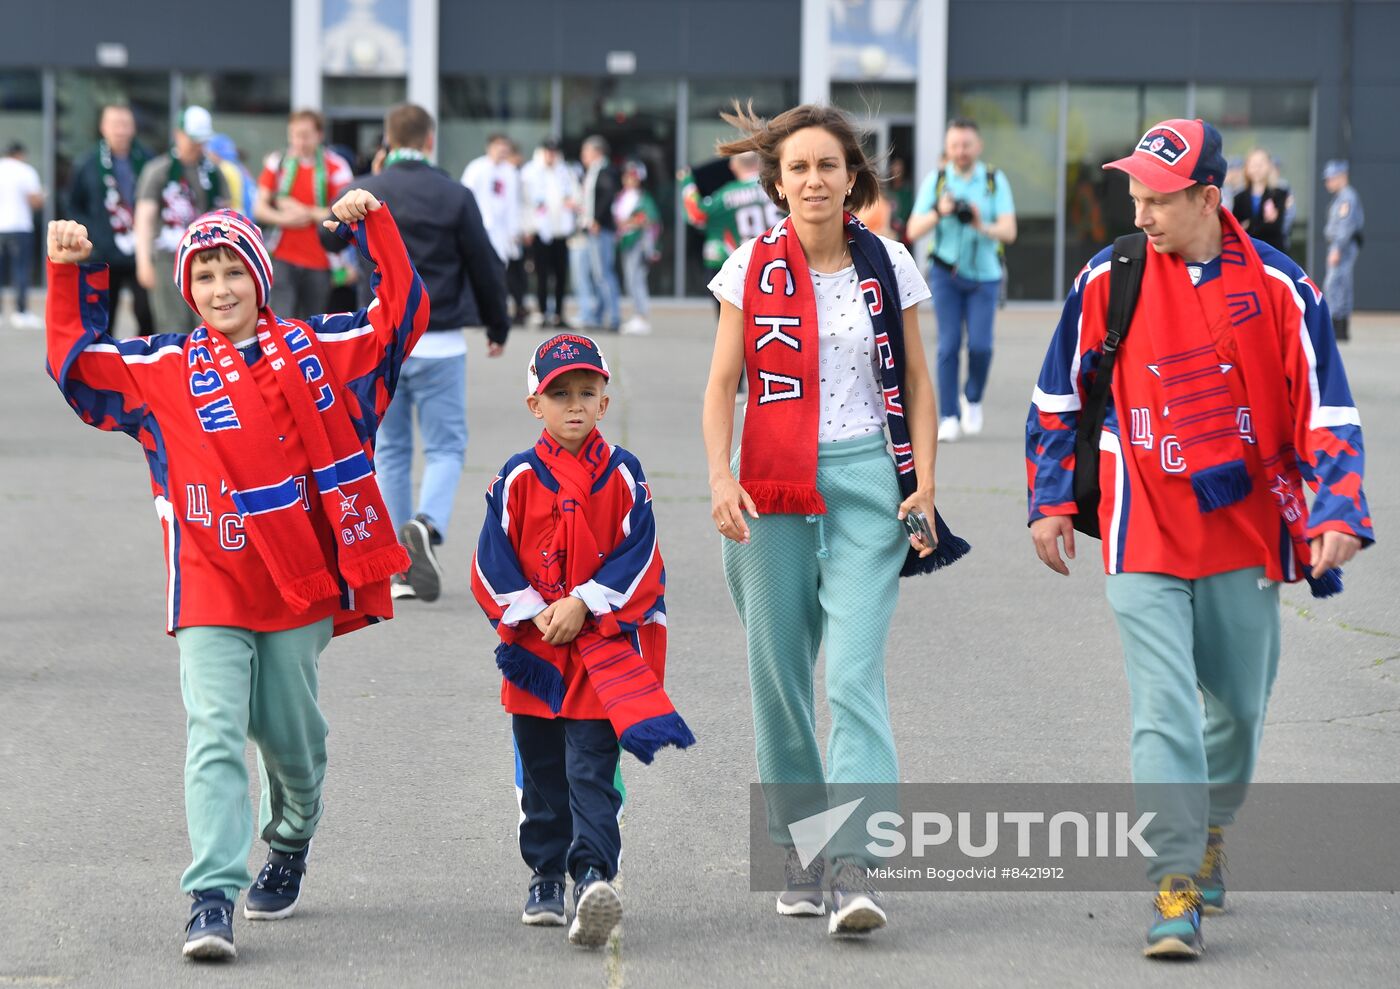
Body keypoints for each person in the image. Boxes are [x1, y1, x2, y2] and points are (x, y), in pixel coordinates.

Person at [44, 191, 429, 961]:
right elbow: (79, 367)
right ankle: (210, 895)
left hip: (300, 586)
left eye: (233, 271)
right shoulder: (161, 366)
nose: (221, 288)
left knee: (294, 747)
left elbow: (399, 317)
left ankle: (289, 837)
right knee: (215, 733)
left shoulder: (321, 348)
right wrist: (64, 273)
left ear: (261, 277)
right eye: (206, 274)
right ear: (188, 288)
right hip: (209, 582)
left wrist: (373, 227)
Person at [1026, 118, 1372, 960]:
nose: (1139, 213)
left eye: (1158, 200)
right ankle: (1174, 879)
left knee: (1241, 709)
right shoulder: (1110, 276)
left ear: (1209, 197)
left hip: (1244, 529)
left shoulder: (1286, 288)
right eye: (1134, 197)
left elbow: (1329, 408)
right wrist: (1048, 500)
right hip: (1141, 520)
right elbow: (1057, 396)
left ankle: (1212, 822)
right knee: (1164, 707)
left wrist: (1337, 511)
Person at [702, 102, 967, 936]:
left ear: (854, 177)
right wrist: (718, 475)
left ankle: (854, 860)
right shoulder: (750, 264)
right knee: (778, 680)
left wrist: (923, 480)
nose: (813, 180)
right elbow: (722, 386)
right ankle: (800, 844)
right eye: (797, 168)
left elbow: (921, 383)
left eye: (828, 165)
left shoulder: (888, 261)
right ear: (776, 183)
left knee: (852, 673)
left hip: (868, 484)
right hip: (770, 485)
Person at [471, 333, 693, 946]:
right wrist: (537, 612)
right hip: (538, 649)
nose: (573, 405)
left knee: (591, 763)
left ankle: (592, 871)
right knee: (542, 766)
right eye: (559, 394)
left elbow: (641, 552)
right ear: (533, 404)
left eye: (586, 393)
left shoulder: (624, 473)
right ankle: (545, 871)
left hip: (600, 644)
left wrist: (585, 601)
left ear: (603, 401)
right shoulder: (516, 476)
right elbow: (492, 557)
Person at [351, 102, 511, 602]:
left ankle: (399, 566)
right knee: (445, 447)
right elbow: (484, 264)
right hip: (440, 338)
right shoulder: (454, 193)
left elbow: (324, 234)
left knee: (392, 451)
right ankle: (427, 522)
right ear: (429, 140)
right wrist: (497, 324)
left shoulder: (367, 191)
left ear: (388, 138)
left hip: (382, 341)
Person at [906, 117, 1017, 443]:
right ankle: (949, 416)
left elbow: (1009, 232)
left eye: (966, 144)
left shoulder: (994, 180)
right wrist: (939, 212)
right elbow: (912, 231)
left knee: (981, 347)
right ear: (948, 147)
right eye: (954, 145)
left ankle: (973, 396)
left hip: (985, 275)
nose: (960, 151)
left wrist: (982, 225)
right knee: (948, 345)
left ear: (978, 146)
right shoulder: (938, 180)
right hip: (945, 274)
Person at [134, 106, 227, 333]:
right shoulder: (159, 170)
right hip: (168, 258)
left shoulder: (213, 171)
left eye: (202, 140)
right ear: (178, 134)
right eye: (193, 139)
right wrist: (143, 261)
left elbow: (225, 213)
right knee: (172, 326)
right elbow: (144, 218)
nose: (198, 146)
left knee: (208, 325)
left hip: (205, 256)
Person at [255, 109, 355, 319]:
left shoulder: (336, 166)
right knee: (280, 321)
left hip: (321, 261)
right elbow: (259, 209)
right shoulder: (278, 162)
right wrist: (285, 218)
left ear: (319, 135)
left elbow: (343, 212)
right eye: (294, 135)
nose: (299, 142)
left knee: (313, 325)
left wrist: (304, 211)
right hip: (281, 256)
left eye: (306, 135)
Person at [66, 104, 155, 336]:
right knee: (104, 317)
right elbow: (74, 204)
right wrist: (91, 235)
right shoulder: (87, 163)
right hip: (104, 253)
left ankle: (144, 362)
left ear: (133, 128)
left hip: (141, 252)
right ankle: (106, 365)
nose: (121, 130)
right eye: (115, 124)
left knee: (147, 313)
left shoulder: (147, 161)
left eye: (126, 124)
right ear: (103, 127)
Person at [681, 150, 785, 316]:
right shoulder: (778, 191)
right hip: (777, 265)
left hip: (738, 268)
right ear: (759, 164)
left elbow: (696, 215)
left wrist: (686, 181)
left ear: (734, 166)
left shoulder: (726, 194)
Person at [462, 133, 527, 324]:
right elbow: (466, 198)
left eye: (506, 148)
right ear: (490, 148)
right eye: (499, 147)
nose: (503, 151)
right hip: (479, 228)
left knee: (498, 274)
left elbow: (514, 204)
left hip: (502, 231)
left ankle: (497, 313)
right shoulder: (476, 168)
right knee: (477, 271)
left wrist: (514, 231)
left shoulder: (511, 172)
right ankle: (474, 312)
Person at [521, 138, 579, 329]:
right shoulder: (530, 172)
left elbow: (575, 195)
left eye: (554, 152)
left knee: (561, 274)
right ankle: (542, 311)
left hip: (560, 231)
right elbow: (525, 203)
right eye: (548, 151)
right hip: (540, 230)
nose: (551, 155)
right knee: (542, 274)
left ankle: (558, 313)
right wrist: (527, 228)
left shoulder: (565, 172)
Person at [576, 136, 622, 332]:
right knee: (598, 274)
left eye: (586, 152)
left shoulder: (604, 171)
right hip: (595, 228)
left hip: (600, 229)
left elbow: (607, 195)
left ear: (596, 152)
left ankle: (613, 317)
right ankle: (599, 314)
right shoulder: (595, 171)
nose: (583, 156)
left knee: (603, 273)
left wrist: (596, 219)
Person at [612, 159, 661, 335]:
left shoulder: (642, 197)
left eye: (632, 176)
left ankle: (641, 316)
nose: (628, 179)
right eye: (626, 176)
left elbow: (649, 218)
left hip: (638, 242)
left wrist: (630, 221)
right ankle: (637, 315)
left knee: (636, 279)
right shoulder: (622, 196)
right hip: (626, 241)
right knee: (630, 279)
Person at [0, 142, 44, 328]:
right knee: (21, 270)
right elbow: (34, 201)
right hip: (20, 226)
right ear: (20, 154)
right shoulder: (26, 171)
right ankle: (21, 312)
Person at [1322, 159, 1364, 343]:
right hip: (1341, 246)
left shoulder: (1347, 198)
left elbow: (1345, 226)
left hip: (1342, 247)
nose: (1328, 182)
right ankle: (1340, 328)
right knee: (1339, 284)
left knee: (1335, 285)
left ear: (1342, 177)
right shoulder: (1342, 197)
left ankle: (1337, 326)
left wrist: (1337, 248)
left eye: (1332, 178)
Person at [1230, 148, 1290, 254]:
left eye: (1261, 164)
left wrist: (1249, 225)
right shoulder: (1239, 197)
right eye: (1253, 164)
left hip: (1273, 251)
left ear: (1269, 166)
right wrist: (1264, 221)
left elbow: (1275, 228)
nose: (1257, 168)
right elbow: (1236, 229)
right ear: (1247, 168)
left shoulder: (1279, 194)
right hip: (1248, 252)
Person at [207, 133, 257, 219]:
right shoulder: (238, 167)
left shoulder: (224, 168)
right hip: (246, 216)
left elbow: (227, 201)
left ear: (216, 152)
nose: (208, 155)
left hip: (234, 216)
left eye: (210, 151)